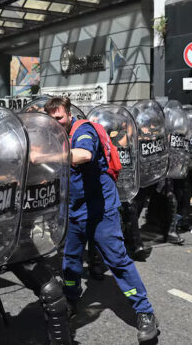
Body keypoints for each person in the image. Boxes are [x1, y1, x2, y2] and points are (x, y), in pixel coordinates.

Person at [45, 97, 158, 342]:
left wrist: (47, 154)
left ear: (69, 114)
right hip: (74, 211)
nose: (56, 122)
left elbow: (84, 154)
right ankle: (71, 301)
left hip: (101, 210)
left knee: (117, 260)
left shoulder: (83, 129)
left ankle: (145, 312)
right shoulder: (54, 136)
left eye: (59, 117)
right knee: (70, 260)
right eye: (51, 119)